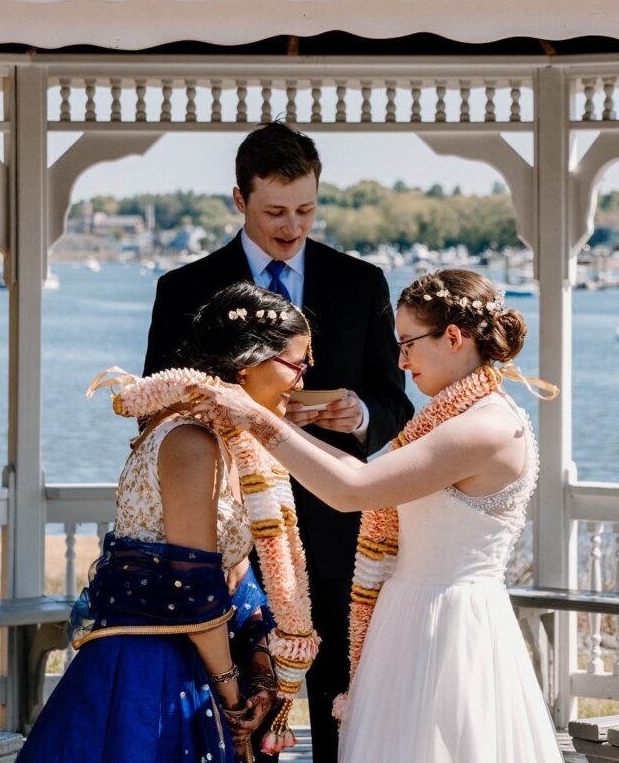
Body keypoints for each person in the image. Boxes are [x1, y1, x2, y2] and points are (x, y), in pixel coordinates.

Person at [189, 269, 564, 763]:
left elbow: (354, 490)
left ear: (453, 337)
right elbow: (369, 474)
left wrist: (256, 419)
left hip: (448, 627)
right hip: (410, 617)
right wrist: (288, 427)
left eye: (408, 343)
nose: (402, 361)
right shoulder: (456, 418)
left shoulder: (486, 427)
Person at [144, 122, 413, 762]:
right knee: (232, 709)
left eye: (306, 209)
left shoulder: (361, 283)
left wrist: (362, 414)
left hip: (332, 527)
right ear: (239, 200)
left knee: (342, 710)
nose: (292, 227)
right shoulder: (182, 289)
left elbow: (396, 401)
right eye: (274, 211)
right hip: (225, 526)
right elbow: (155, 406)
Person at [18, 281, 317, 763]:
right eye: (297, 363)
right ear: (248, 362)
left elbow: (234, 573)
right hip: (149, 674)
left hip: (202, 656)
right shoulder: (191, 441)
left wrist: (262, 673)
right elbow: (195, 587)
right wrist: (232, 695)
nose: (301, 380)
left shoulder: (231, 442)